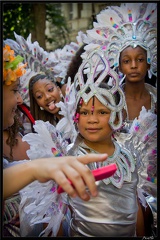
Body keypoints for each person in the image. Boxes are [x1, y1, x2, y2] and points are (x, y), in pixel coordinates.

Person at [2, 44, 108, 237]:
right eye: (14, 91)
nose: (19, 100)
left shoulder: (79, 116)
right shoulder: (40, 131)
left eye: (50, 90)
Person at [80, 2, 157, 235]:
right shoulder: (109, 102)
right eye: (127, 60)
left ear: (149, 61)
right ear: (119, 64)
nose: (134, 66)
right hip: (118, 183)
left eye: (140, 59)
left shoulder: (156, 98)